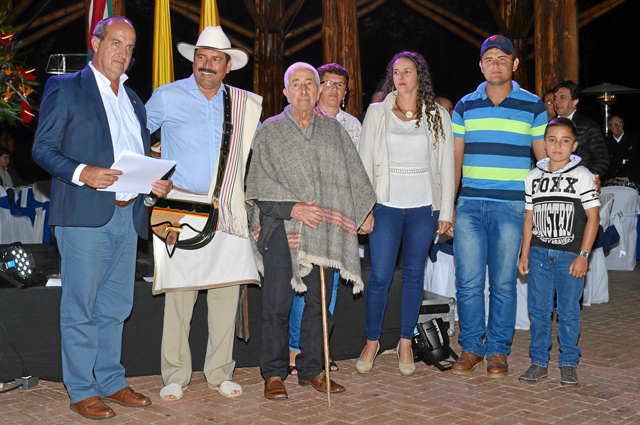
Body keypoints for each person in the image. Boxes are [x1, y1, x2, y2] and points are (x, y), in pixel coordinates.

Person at [31, 16, 172, 420]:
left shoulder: (134, 101)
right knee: (82, 307)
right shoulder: (66, 88)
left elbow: (136, 161)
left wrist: (153, 182)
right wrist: (83, 172)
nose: (123, 54)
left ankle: (111, 380)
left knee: (115, 307)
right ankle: (81, 389)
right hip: (84, 215)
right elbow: (43, 149)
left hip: (127, 218)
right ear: (96, 42)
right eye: (116, 43)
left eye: (130, 48)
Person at [246, 62, 376, 401]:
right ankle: (273, 373)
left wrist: (364, 212)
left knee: (320, 305)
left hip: (324, 230)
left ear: (318, 92)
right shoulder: (270, 131)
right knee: (277, 305)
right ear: (285, 92)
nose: (303, 90)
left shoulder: (334, 131)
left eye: (310, 83)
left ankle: (312, 369)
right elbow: (257, 188)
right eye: (296, 83)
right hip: (281, 230)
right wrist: (294, 209)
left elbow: (353, 176)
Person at [145, 26, 262, 401]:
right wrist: (149, 176)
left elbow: (252, 158)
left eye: (216, 59)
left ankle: (219, 371)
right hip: (178, 204)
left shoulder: (245, 105)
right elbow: (133, 138)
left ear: (228, 66)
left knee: (227, 292)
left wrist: (250, 199)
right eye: (201, 57)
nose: (207, 65)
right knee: (180, 296)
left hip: (228, 206)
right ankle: (175, 374)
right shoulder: (166, 96)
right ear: (193, 60)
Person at [448, 35, 547, 378]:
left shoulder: (533, 105)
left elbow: (544, 157)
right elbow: (455, 159)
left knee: (503, 283)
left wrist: (574, 175)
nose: (495, 64)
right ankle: (472, 347)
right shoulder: (464, 106)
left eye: (502, 58)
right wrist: (450, 205)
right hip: (471, 207)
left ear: (515, 64)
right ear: (480, 65)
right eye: (488, 59)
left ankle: (498, 352)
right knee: (468, 282)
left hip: (512, 208)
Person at [356, 51, 455, 376]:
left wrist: (446, 210)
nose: (400, 76)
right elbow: (364, 163)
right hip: (385, 206)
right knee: (381, 276)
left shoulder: (437, 114)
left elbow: (446, 166)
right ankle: (372, 341)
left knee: (414, 275)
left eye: (407, 71)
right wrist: (364, 209)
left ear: (419, 76)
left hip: (424, 208)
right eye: (396, 71)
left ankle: (405, 343)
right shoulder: (376, 113)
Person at [287, 62, 360, 375]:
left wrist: (362, 212)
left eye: (339, 85)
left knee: (330, 289)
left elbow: (361, 173)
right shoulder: (301, 119)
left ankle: (319, 350)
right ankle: (295, 350)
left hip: (339, 220)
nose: (333, 89)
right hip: (306, 215)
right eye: (327, 83)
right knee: (304, 286)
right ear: (316, 89)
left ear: (345, 93)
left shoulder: (354, 126)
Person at [517, 117, 600, 386]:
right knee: (539, 312)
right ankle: (539, 362)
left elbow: (593, 218)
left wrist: (583, 255)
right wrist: (524, 253)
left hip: (569, 256)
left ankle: (568, 363)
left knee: (568, 312)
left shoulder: (583, 176)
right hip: (540, 255)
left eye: (565, 141)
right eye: (552, 140)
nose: (557, 146)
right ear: (543, 143)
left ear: (574, 146)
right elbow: (529, 219)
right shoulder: (533, 177)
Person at [553, 80, 608, 177]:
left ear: (575, 101)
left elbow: (601, 160)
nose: (557, 102)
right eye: (555, 98)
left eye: (562, 98)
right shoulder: (548, 126)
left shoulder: (587, 126)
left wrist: (583, 178)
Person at [603, 115, 639, 183]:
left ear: (623, 125)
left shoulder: (634, 138)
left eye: (619, 123)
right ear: (610, 128)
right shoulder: (605, 141)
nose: (617, 126)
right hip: (611, 179)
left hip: (631, 179)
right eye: (614, 124)